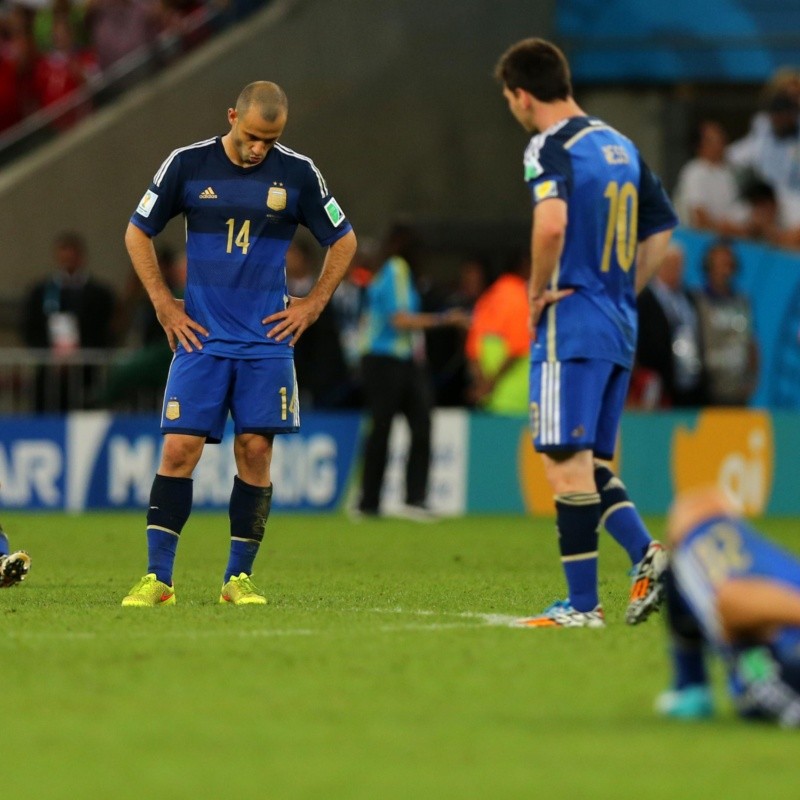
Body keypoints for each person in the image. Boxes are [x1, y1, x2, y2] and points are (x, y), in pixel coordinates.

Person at [120, 80, 357, 607]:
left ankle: (237, 580)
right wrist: (163, 302)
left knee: (255, 450)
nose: (259, 149)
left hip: (266, 342)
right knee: (178, 449)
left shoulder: (298, 172)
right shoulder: (187, 164)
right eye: (252, 136)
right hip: (200, 338)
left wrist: (314, 303)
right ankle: (159, 579)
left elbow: (344, 240)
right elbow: (138, 231)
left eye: (270, 141)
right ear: (232, 116)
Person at [495, 38, 678, 628]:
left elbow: (551, 225)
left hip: (572, 317)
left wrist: (537, 290)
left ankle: (580, 607)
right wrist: (625, 288)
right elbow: (662, 228)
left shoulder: (549, 146)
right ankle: (648, 554)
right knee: (591, 460)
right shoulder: (619, 144)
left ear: (522, 95)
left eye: (508, 98)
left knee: (561, 458)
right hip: (616, 319)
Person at [656, 486, 800, 727]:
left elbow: (731, 600)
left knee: (691, 520)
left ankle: (690, 685)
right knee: (698, 510)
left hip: (766, 659)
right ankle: (691, 686)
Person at [354, 222, 469, 521]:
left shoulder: (392, 271)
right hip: (385, 359)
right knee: (395, 427)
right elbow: (401, 320)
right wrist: (446, 319)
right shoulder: (397, 269)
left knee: (406, 425)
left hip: (397, 359)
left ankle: (398, 500)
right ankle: (378, 501)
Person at [20, 230, 117, 411]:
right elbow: (30, 328)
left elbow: (106, 329)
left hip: (87, 370)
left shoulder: (100, 294)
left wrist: (78, 353)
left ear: (81, 257)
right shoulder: (41, 292)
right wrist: (52, 355)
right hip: (49, 372)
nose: (68, 263)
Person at [633, 243, 706, 408]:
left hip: (689, 380)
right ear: (658, 265)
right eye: (670, 264)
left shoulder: (689, 297)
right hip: (658, 381)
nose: (675, 269)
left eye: (679, 264)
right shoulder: (644, 299)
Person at [694, 239, 758, 406]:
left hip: (737, 391)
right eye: (719, 264)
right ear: (708, 267)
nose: (725, 270)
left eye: (729, 264)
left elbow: (752, 343)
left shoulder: (742, 302)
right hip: (708, 391)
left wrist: (751, 379)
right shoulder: (697, 302)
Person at [466, 250, 530, 414]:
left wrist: (482, 387)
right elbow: (518, 348)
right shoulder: (521, 298)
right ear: (525, 267)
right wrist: (490, 384)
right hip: (519, 401)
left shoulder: (486, 299)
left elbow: (473, 352)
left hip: (490, 401)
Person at [672, 120, 751, 236]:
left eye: (722, 139)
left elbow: (735, 213)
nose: (721, 143)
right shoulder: (694, 171)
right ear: (700, 146)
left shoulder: (727, 173)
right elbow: (699, 218)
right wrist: (726, 229)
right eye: (715, 140)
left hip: (724, 239)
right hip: (696, 240)